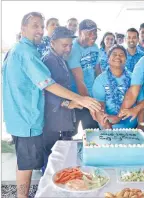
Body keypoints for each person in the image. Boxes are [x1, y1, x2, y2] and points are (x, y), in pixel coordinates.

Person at [2, 12, 101, 198]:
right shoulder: (27, 53)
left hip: (24, 118)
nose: (40, 30)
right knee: (28, 165)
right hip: (27, 119)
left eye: (41, 26)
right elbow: (47, 84)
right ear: (23, 29)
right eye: (35, 26)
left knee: (26, 162)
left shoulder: (24, 50)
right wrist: (78, 100)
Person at [41, 26, 81, 174]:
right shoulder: (49, 60)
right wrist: (68, 103)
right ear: (52, 43)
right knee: (53, 162)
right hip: (53, 121)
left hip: (63, 118)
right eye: (65, 45)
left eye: (70, 45)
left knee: (62, 161)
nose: (68, 49)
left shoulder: (60, 58)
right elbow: (48, 90)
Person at [67, 19, 102, 136]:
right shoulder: (73, 49)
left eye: (95, 32)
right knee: (70, 133)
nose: (93, 36)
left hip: (91, 97)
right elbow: (79, 80)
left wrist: (101, 94)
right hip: (76, 99)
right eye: (89, 33)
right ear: (80, 32)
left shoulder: (95, 47)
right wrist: (91, 105)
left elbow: (98, 71)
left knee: (92, 132)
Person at [93, 45, 138, 128]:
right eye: (114, 54)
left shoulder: (134, 78)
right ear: (108, 59)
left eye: (121, 55)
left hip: (131, 127)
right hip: (108, 126)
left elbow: (140, 103)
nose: (118, 56)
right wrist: (107, 125)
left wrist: (141, 125)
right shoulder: (100, 80)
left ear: (126, 60)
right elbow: (99, 106)